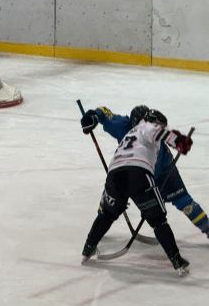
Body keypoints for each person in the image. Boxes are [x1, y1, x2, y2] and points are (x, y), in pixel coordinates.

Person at [81, 104, 209, 249]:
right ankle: (99, 228)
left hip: (163, 171)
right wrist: (93, 115)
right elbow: (104, 112)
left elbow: (166, 142)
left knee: (184, 202)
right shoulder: (123, 125)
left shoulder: (155, 137)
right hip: (137, 170)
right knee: (110, 196)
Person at [79, 109, 194, 275]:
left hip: (115, 174)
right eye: (162, 125)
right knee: (158, 220)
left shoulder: (131, 132)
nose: (162, 128)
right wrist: (178, 141)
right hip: (138, 173)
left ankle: (88, 248)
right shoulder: (146, 126)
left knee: (108, 214)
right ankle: (177, 261)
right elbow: (155, 131)